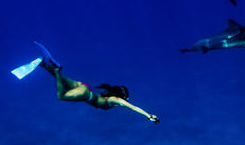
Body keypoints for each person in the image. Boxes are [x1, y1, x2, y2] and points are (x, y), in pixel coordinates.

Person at [12, 42, 159, 123]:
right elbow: (133, 107)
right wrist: (148, 115)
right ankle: (56, 69)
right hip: (85, 94)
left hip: (83, 86)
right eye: (125, 97)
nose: (126, 100)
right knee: (61, 96)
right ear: (121, 96)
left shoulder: (110, 96)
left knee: (61, 80)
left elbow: (130, 103)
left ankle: (44, 65)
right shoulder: (116, 100)